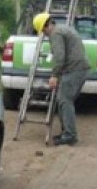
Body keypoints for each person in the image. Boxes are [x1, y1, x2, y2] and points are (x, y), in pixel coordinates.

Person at [33, 12, 90, 146]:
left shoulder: (55, 34)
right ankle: (67, 132)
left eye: (42, 31)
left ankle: (70, 135)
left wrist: (54, 75)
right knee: (62, 100)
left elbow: (59, 57)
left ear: (44, 27)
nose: (44, 34)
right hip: (78, 68)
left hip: (75, 69)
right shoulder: (63, 28)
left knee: (65, 100)